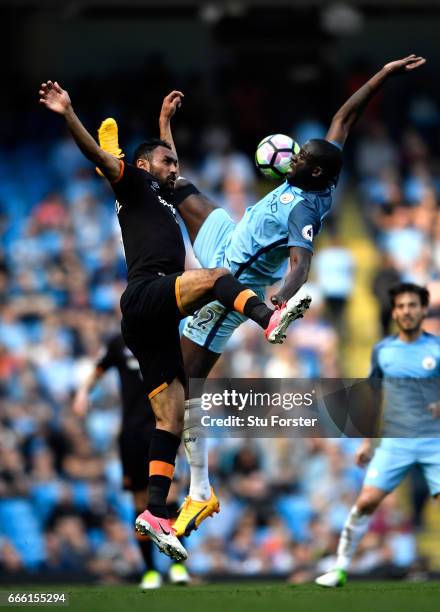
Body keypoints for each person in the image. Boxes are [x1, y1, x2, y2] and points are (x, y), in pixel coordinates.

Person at [156, 55, 426, 537]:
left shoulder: (303, 205)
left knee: (182, 382)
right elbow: (344, 118)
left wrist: (276, 303)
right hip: (229, 235)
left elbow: (301, 265)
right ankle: (149, 136)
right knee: (175, 187)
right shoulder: (325, 166)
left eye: (300, 161)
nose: (292, 160)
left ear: (316, 175)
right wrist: (382, 75)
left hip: (230, 280)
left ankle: (200, 489)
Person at [39, 81, 303, 561]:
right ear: (142, 166)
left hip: (150, 321)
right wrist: (68, 113)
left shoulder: (159, 193)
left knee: (172, 416)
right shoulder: (132, 183)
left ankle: (156, 512)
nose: (174, 169)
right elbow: (101, 159)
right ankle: (268, 317)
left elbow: (172, 173)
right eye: (166, 162)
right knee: (217, 276)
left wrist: (166, 125)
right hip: (146, 295)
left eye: (175, 163)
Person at [316, 282, 440, 587]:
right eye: (401, 306)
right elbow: (376, 399)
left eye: (412, 305)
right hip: (396, 442)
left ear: (423, 310)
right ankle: (340, 568)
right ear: (395, 312)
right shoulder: (383, 352)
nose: (406, 311)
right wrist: (368, 442)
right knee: (366, 501)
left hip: (432, 440)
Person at [72, 333, 189, 589]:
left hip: (165, 427)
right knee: (140, 504)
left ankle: (178, 565)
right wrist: (83, 393)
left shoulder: (167, 338)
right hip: (133, 434)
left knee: (170, 499)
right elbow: (98, 368)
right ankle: (150, 571)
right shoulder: (118, 342)